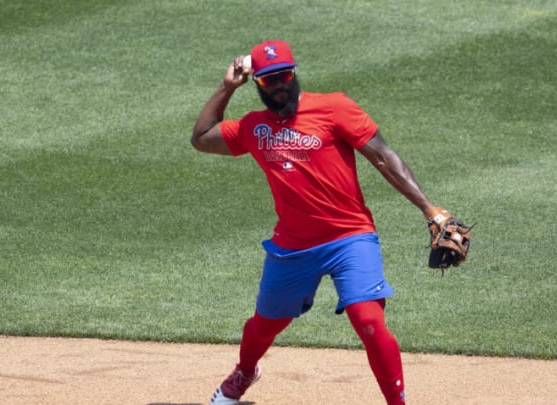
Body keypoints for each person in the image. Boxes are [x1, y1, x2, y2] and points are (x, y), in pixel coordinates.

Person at [191, 39, 450, 405]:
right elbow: (201, 138)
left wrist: (429, 208)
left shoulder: (333, 108)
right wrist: (226, 87)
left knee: (369, 321)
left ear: (294, 74)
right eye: (269, 81)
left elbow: (384, 157)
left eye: (284, 76)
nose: (279, 86)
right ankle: (245, 372)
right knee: (263, 326)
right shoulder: (254, 127)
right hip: (293, 245)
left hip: (351, 237)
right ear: (258, 85)